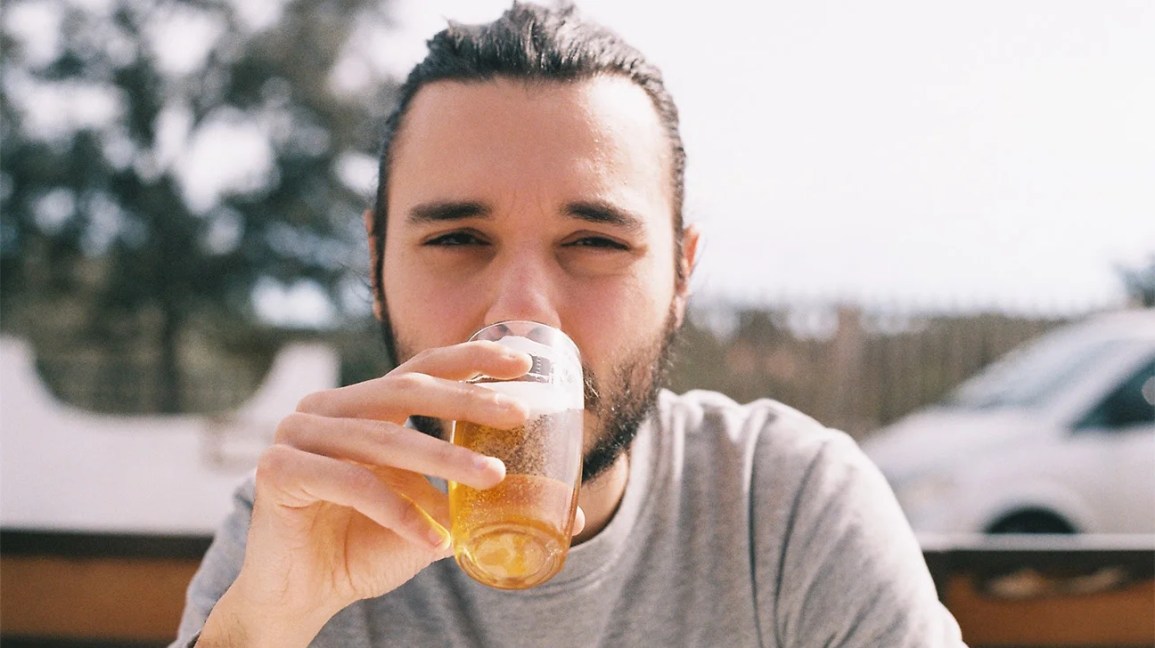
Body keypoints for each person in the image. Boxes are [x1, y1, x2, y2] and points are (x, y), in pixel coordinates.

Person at [173, 3, 966, 646]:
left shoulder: (787, 508)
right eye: (456, 239)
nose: (520, 315)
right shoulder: (307, 515)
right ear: (377, 261)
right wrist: (262, 627)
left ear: (681, 272)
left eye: (593, 242)